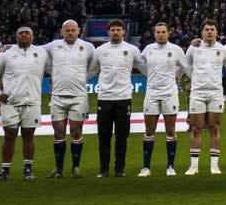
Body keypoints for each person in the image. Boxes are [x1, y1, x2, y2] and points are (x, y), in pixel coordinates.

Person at [0, 26, 50, 181]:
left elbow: (55, 69)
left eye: (27, 33)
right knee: (10, 135)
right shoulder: (6, 54)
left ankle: (28, 170)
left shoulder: (41, 53)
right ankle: (5, 170)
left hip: (32, 102)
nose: (24, 35)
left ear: (32, 37)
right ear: (16, 37)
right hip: (10, 102)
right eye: (20, 33)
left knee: (29, 136)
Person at [89, 19, 144, 177]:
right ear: (108, 32)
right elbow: (92, 70)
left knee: (122, 136)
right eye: (112, 30)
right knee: (104, 137)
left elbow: (144, 67)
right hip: (104, 98)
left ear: (124, 32)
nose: (115, 32)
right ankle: (103, 170)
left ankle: (119, 169)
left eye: (118, 30)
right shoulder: (100, 50)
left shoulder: (132, 50)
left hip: (123, 98)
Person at [42, 19, 95, 178]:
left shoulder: (87, 47)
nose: (70, 32)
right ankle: (59, 169)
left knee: (76, 131)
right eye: (67, 30)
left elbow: (95, 64)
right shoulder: (53, 46)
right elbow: (35, 53)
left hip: (78, 96)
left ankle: (76, 167)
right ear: (62, 31)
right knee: (58, 132)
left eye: (73, 30)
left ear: (79, 31)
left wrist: (85, 76)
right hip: (57, 96)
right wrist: (53, 72)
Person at [139, 22, 187, 177]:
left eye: (163, 32)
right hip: (152, 94)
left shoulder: (176, 50)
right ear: (154, 34)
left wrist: (176, 77)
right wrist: (152, 76)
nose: (161, 34)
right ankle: (146, 167)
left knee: (171, 131)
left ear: (168, 33)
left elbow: (185, 68)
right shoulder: (147, 50)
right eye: (158, 32)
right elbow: (141, 66)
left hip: (170, 94)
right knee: (149, 131)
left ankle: (170, 166)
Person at [185, 20, 226, 175]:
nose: (210, 32)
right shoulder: (193, 48)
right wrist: (195, 79)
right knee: (196, 128)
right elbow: (186, 65)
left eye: (212, 29)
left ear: (217, 32)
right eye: (207, 29)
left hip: (216, 93)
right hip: (197, 93)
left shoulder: (222, 49)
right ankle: (194, 166)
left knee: (215, 127)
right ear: (202, 32)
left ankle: (214, 165)